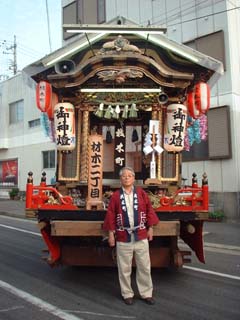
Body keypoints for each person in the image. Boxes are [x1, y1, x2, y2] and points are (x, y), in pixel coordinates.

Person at [103, 166, 159, 305]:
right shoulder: (116, 196)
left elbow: (149, 210)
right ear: (120, 179)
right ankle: (127, 293)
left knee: (144, 266)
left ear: (133, 178)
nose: (127, 178)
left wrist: (150, 228)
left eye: (129, 175)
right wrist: (111, 234)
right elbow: (110, 215)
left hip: (141, 234)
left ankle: (146, 293)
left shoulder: (141, 193)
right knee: (124, 268)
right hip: (123, 236)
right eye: (124, 176)